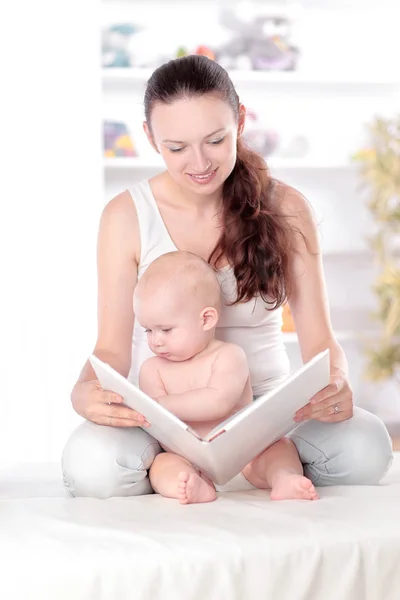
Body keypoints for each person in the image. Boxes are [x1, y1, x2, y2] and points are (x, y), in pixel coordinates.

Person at [61, 55, 393, 499]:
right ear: (150, 137)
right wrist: (84, 392)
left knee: (366, 446)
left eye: (215, 140)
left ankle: (270, 464)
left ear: (239, 121)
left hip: (267, 416)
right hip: (165, 414)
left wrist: (336, 383)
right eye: (176, 147)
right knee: (91, 464)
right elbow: (110, 350)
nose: (199, 163)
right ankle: (176, 467)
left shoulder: (286, 206)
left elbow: (321, 343)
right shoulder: (127, 215)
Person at [136, 250, 319, 504]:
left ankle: (283, 478)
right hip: (190, 461)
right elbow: (155, 419)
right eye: (148, 330)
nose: (155, 341)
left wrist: (160, 404)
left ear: (206, 319)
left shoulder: (229, 356)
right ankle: (191, 486)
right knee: (162, 465)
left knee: (280, 449)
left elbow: (218, 402)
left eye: (166, 329)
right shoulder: (152, 369)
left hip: (245, 458)